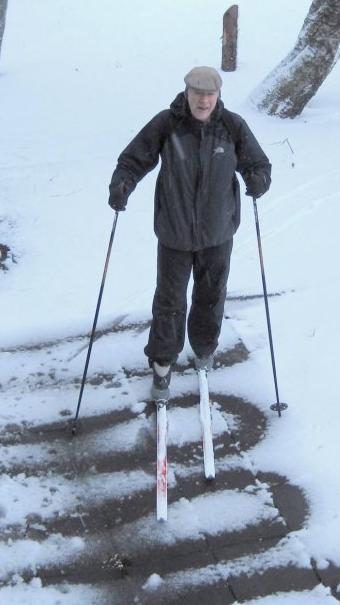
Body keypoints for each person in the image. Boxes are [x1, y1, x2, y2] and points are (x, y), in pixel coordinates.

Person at [108, 66, 272, 403]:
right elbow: (134, 159)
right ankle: (163, 364)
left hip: (218, 233)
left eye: (210, 94)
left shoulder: (231, 127)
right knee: (169, 301)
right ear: (187, 92)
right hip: (174, 233)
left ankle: (204, 350)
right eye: (198, 93)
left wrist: (258, 180)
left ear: (218, 96)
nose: (204, 100)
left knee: (211, 297)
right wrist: (123, 183)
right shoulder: (168, 124)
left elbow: (258, 163)